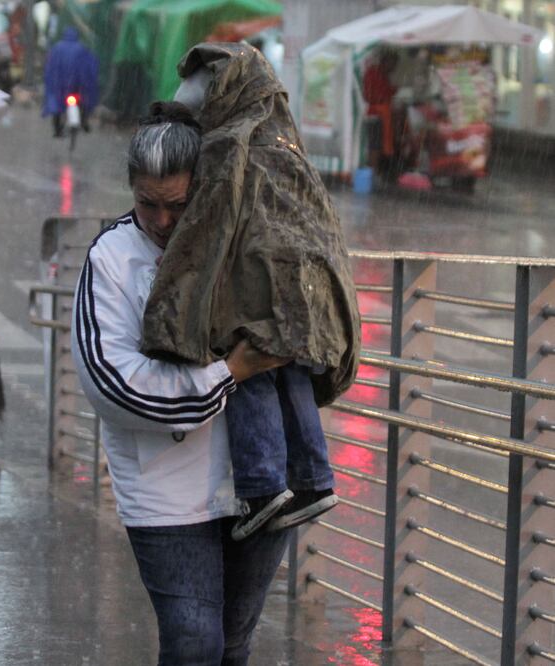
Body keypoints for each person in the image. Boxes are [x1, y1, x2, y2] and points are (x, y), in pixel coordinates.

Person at [71, 101, 292, 666]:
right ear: (131, 190)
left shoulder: (245, 242)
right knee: (195, 643)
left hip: (258, 479)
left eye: (178, 205)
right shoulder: (112, 261)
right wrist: (231, 371)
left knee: (233, 646)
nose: (163, 221)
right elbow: (114, 384)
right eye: (148, 204)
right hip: (167, 491)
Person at [145, 43, 358, 541]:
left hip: (254, 288)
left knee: (247, 370)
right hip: (305, 295)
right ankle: (313, 476)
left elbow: (208, 223)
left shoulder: (230, 141)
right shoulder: (288, 143)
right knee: (293, 375)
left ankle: (261, 487)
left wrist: (174, 302)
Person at [42, 27, 99, 137]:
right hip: (76, 85)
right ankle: (84, 122)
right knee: (83, 101)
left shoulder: (57, 48)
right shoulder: (81, 48)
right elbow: (89, 67)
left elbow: (50, 68)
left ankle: (57, 129)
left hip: (60, 86)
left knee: (57, 106)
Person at [363, 50, 400, 164]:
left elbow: (387, 91)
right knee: (375, 144)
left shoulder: (383, 75)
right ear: (385, 61)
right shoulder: (373, 73)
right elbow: (370, 95)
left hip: (381, 114)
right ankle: (372, 171)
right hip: (374, 114)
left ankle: (374, 170)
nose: (393, 68)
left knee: (378, 144)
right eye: (392, 64)